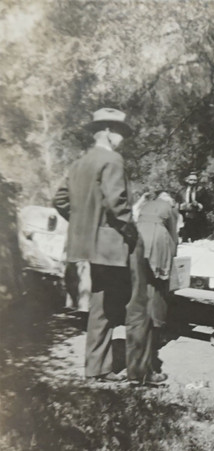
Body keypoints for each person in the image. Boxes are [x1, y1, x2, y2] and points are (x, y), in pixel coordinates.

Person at [54, 107, 166, 386]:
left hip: (91, 247)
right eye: (119, 132)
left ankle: (96, 369)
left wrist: (87, 225)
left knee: (100, 305)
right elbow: (118, 205)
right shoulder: (113, 160)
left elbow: (60, 200)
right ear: (105, 131)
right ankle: (140, 373)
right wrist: (131, 234)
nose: (122, 139)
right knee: (138, 305)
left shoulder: (79, 163)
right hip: (118, 244)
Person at [137, 191, 178, 364]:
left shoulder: (146, 205)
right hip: (158, 242)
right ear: (171, 201)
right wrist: (173, 254)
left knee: (142, 283)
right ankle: (157, 330)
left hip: (139, 239)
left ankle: (140, 329)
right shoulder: (170, 208)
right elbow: (173, 234)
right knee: (160, 285)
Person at [178, 172, 205, 242]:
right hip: (185, 221)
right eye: (191, 180)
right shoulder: (181, 192)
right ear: (187, 180)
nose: (193, 182)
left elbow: (207, 205)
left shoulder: (201, 191)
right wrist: (181, 206)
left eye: (195, 180)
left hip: (197, 221)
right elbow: (176, 204)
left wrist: (199, 205)